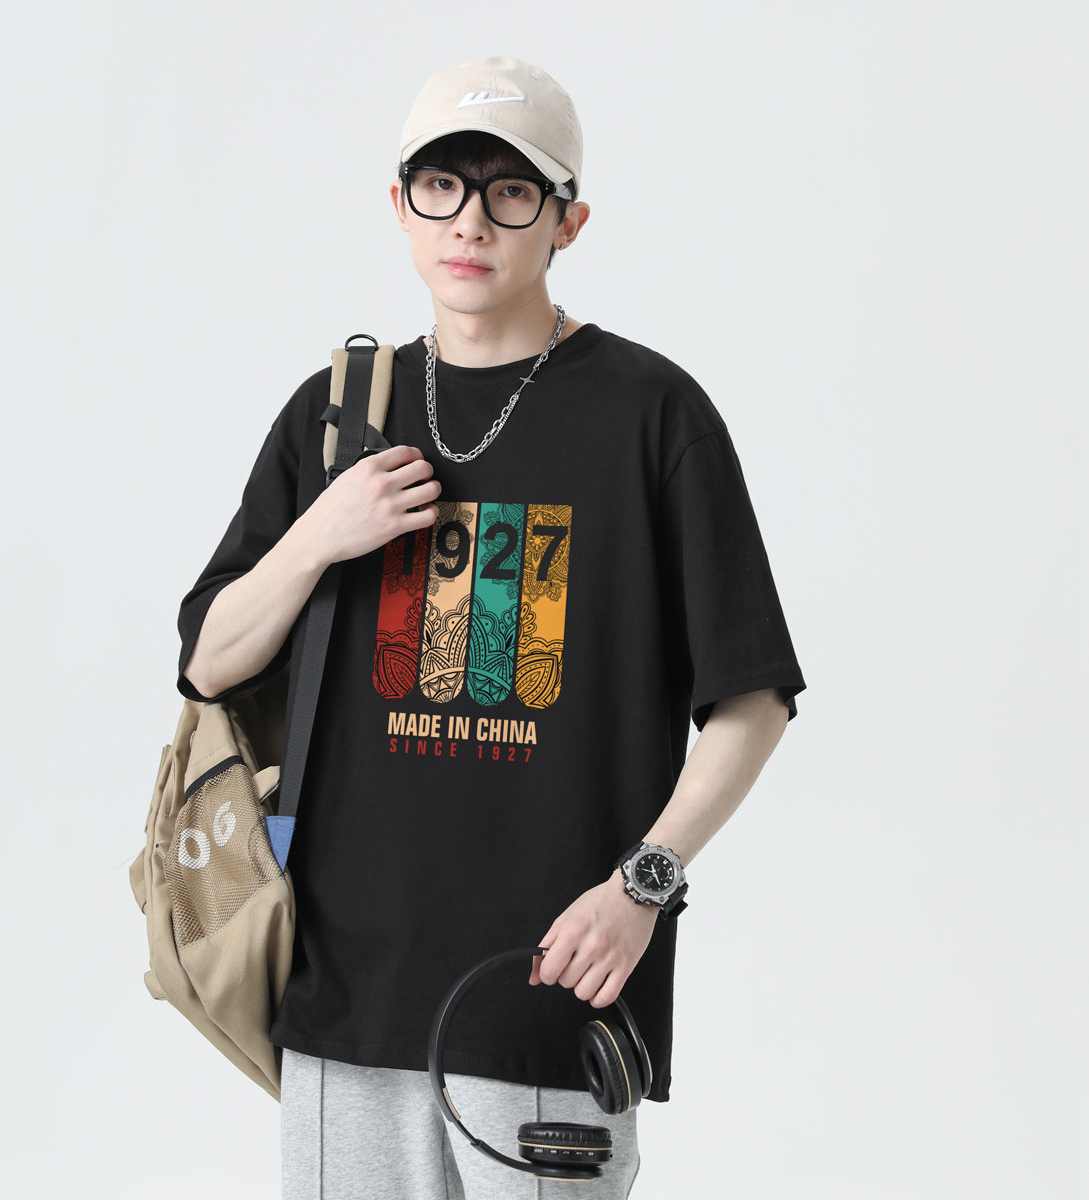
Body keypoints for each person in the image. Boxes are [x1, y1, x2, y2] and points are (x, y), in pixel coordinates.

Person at [176, 55, 806, 1200]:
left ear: (568, 220)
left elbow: (753, 698)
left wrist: (644, 886)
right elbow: (210, 661)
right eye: (442, 186)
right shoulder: (334, 416)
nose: (470, 220)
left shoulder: (651, 416)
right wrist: (319, 536)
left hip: (554, 1002)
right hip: (343, 1004)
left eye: (511, 191)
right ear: (400, 205)